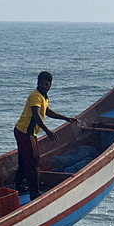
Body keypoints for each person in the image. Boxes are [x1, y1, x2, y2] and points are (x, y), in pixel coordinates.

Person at [14, 71, 78, 199]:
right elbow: (36, 115)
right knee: (34, 162)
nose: (44, 86)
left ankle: (19, 186)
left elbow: (47, 111)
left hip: (20, 131)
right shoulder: (35, 96)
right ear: (38, 83)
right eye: (42, 84)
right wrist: (47, 131)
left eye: (47, 84)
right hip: (27, 133)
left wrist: (65, 118)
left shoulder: (44, 96)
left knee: (23, 161)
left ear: (50, 85)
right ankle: (35, 192)